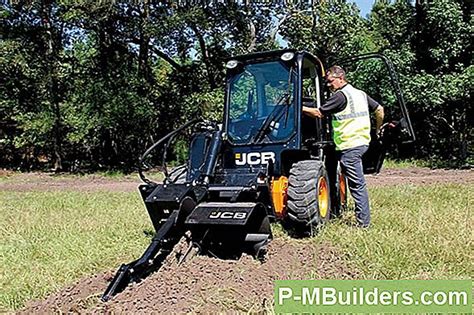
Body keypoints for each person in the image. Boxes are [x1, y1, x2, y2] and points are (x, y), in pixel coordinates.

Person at [302, 65, 384, 228]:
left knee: (357, 184)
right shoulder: (360, 94)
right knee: (334, 172)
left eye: (330, 81)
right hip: (360, 142)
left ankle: (364, 223)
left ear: (340, 78)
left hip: (349, 145)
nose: (328, 85)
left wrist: (297, 106)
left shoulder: (340, 96)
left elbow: (318, 113)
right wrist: (377, 130)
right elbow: (379, 109)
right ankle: (335, 209)